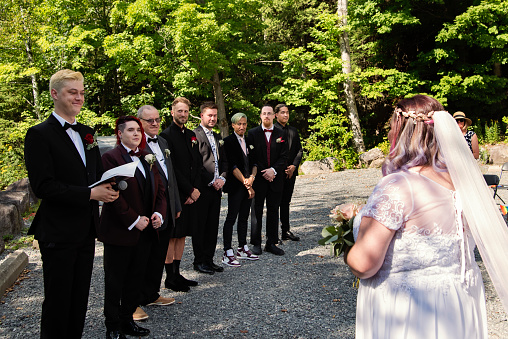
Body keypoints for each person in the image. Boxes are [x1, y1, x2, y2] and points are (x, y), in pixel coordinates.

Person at [345, 94, 508, 338]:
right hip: (459, 301)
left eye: (392, 128)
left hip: (409, 311)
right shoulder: (467, 183)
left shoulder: (398, 186)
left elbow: (364, 264)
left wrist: (350, 239)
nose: (389, 135)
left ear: (402, 132)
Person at [24, 69, 119, 339]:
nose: (79, 98)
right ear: (55, 94)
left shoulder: (88, 133)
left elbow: (95, 176)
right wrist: (91, 195)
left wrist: (112, 186)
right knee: (58, 300)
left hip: (86, 228)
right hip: (57, 230)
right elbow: (44, 187)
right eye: (72, 92)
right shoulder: (39, 134)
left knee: (79, 299)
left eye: (82, 92)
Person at [98, 116, 166, 339]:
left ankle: (128, 319)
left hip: (146, 230)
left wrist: (158, 213)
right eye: (130, 130)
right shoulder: (110, 157)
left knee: (136, 277)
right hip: (121, 230)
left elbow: (160, 189)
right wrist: (133, 219)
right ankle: (113, 326)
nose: (136, 134)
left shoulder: (148, 156)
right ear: (120, 134)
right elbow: (112, 194)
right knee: (115, 280)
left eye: (138, 130)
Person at [136, 105, 181, 319]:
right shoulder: (136, 144)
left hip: (166, 208)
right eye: (149, 120)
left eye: (157, 120)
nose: (154, 124)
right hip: (147, 211)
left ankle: (151, 294)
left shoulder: (163, 142)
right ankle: (133, 301)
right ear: (139, 122)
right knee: (141, 257)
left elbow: (170, 176)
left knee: (158, 255)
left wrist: (176, 206)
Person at [160, 97, 201, 288]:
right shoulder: (166, 136)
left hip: (191, 194)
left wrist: (196, 189)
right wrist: (188, 191)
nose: (183, 114)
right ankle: (169, 277)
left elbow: (197, 163)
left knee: (183, 234)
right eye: (179, 111)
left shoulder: (191, 135)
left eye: (185, 111)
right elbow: (172, 168)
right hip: (177, 194)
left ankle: (178, 273)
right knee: (172, 235)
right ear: (172, 112)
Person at [247, 104, 288, 255]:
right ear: (260, 116)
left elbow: (284, 156)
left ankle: (271, 242)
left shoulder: (281, 133)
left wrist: (273, 170)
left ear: (273, 116)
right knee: (256, 210)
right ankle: (256, 243)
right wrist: (263, 171)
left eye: (269, 113)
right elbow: (251, 157)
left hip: (275, 178)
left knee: (273, 210)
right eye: (264, 113)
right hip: (258, 178)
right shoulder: (252, 133)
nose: (266, 116)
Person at [192, 101, 228, 274]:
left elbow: (225, 161)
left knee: (213, 226)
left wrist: (222, 178)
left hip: (217, 188)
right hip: (202, 189)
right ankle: (199, 261)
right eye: (210, 115)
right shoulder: (195, 135)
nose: (213, 118)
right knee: (200, 226)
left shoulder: (218, 137)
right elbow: (195, 164)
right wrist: (210, 180)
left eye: (215, 115)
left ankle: (209, 259)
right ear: (202, 116)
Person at [222, 113, 258, 267]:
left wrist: (252, 178)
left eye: (244, 124)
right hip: (236, 185)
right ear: (233, 125)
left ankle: (242, 248)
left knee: (244, 217)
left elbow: (255, 162)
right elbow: (232, 165)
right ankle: (227, 251)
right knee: (231, 217)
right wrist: (245, 181)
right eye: (239, 124)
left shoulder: (249, 140)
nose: (242, 127)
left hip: (248, 183)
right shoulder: (228, 142)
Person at [274, 104, 303, 241]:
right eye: (282, 113)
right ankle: (273, 234)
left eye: (287, 112)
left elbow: (299, 150)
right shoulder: (272, 130)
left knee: (286, 202)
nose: (285, 115)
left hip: (291, 172)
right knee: (275, 203)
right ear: (276, 115)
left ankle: (285, 230)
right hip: (277, 173)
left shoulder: (293, 131)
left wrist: (293, 167)